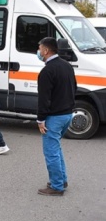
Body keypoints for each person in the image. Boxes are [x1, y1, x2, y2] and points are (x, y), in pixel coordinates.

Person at [36, 37, 76, 196]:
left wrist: (40, 120)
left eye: (39, 48)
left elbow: (43, 98)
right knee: (56, 149)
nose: (38, 51)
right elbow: (74, 87)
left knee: (51, 152)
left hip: (54, 117)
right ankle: (61, 179)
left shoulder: (47, 71)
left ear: (46, 50)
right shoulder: (67, 66)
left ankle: (57, 186)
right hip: (67, 113)